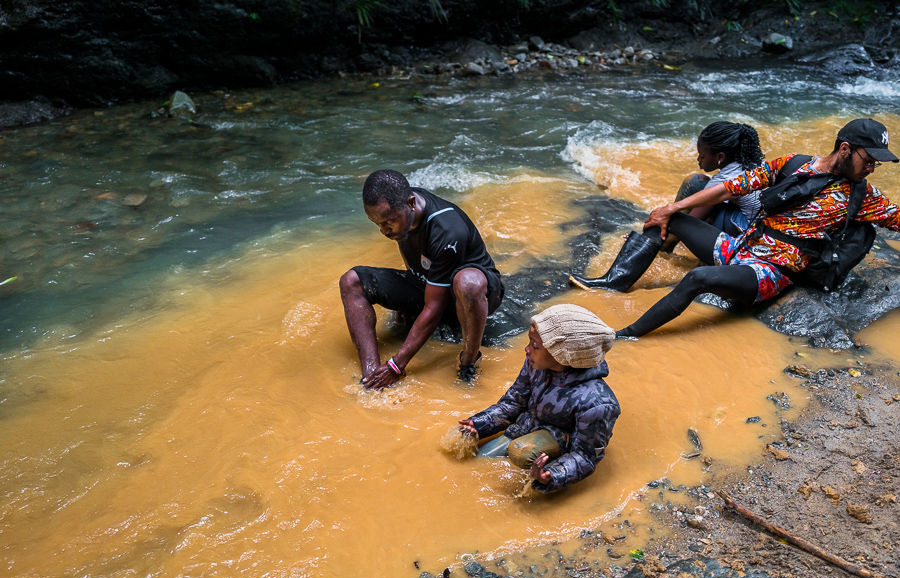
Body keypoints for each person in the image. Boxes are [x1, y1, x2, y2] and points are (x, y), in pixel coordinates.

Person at [569, 118, 900, 338]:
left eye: (876, 162)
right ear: (844, 149)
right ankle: (615, 283)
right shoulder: (794, 163)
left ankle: (626, 334)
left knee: (698, 278)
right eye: (868, 159)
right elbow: (733, 187)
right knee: (672, 219)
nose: (872, 167)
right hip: (739, 247)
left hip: (770, 272)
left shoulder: (865, 196)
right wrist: (672, 206)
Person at [340, 169, 504, 389]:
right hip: (432, 285)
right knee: (351, 280)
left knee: (467, 283)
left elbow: (434, 306)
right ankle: (371, 376)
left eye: (388, 222)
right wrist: (404, 297)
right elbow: (412, 250)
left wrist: (396, 366)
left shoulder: (447, 229)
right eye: (376, 224)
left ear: (411, 204)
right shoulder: (400, 207)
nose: (383, 230)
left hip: (471, 295)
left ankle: (469, 360)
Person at [457, 304, 620, 494]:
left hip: (557, 440)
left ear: (562, 356)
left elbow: (586, 455)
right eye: (530, 342)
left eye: (535, 346)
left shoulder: (598, 403)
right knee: (470, 458)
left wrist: (551, 475)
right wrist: (478, 424)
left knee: (519, 452)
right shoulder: (536, 365)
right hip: (526, 426)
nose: (526, 350)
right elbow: (512, 403)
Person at [669, 121, 765, 239]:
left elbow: (690, 222)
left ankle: (666, 245)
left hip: (750, 239)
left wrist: (667, 220)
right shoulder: (753, 162)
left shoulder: (725, 179)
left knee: (694, 183)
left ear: (720, 157)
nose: (698, 159)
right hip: (768, 229)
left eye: (702, 156)